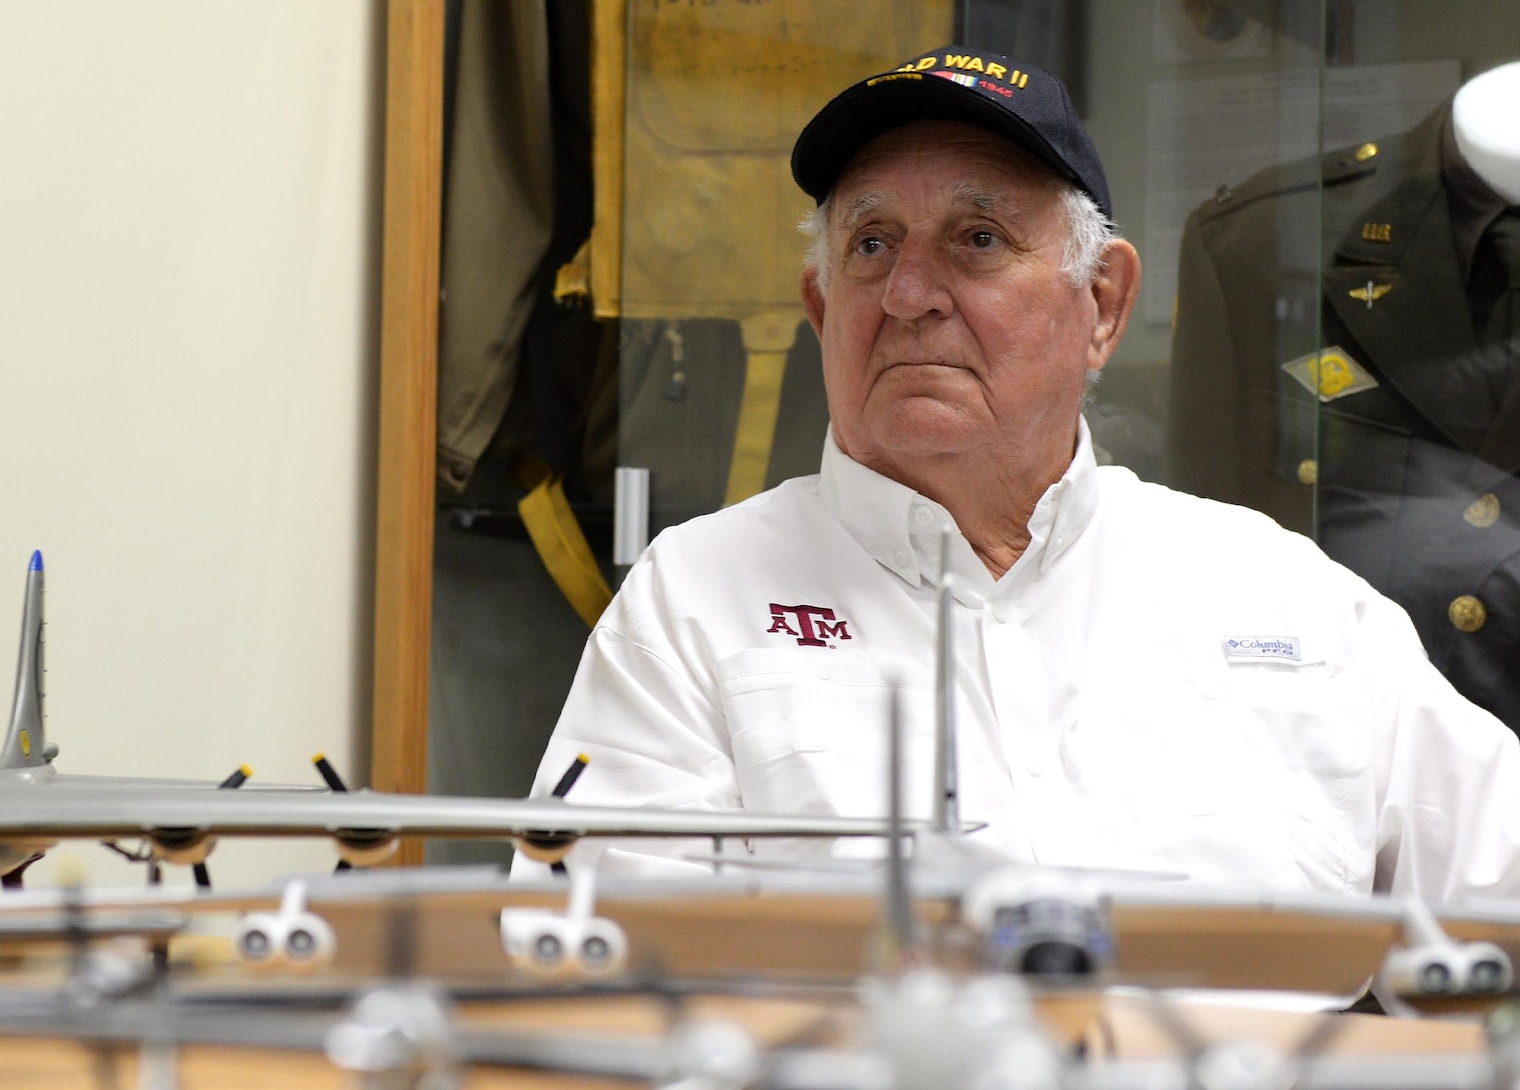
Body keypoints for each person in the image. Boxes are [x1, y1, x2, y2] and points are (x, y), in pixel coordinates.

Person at [521, 46, 1520, 903]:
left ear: (1101, 305)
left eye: (978, 239)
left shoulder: (1288, 603)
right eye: (870, 245)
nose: (909, 294)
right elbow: (584, 966)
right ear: (822, 310)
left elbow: (1497, 897)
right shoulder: (693, 605)